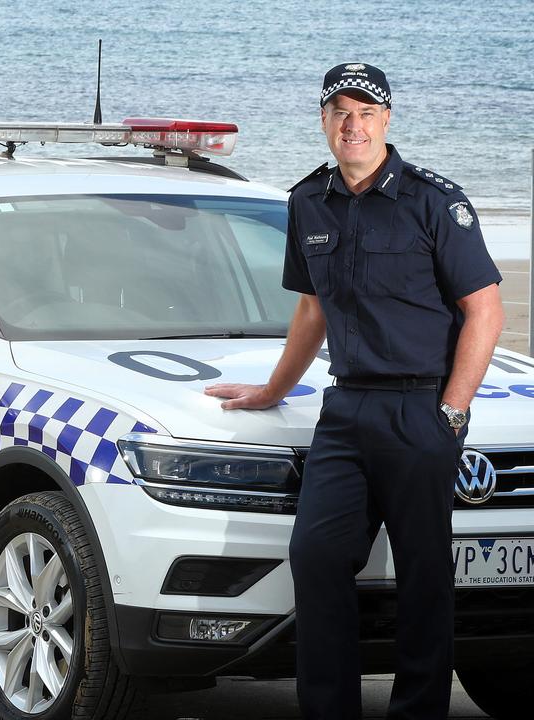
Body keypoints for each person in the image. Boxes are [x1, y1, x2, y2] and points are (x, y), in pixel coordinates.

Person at [205, 64, 504, 719]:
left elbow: (484, 309)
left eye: (365, 111)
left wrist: (452, 411)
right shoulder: (307, 201)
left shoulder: (434, 202)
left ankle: (418, 710)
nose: (353, 124)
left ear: (387, 119)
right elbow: (312, 310)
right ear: (322, 121)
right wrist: (271, 388)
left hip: (420, 408)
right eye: (340, 111)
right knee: (315, 555)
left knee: (425, 575)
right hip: (344, 410)